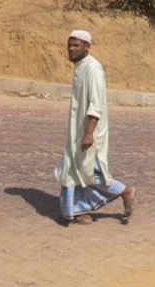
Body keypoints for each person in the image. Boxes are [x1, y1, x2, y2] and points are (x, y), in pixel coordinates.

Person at [56, 30, 136, 225]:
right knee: (74, 169)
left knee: (90, 171)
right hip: (78, 131)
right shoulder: (80, 67)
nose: (71, 49)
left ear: (87, 47)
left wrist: (89, 133)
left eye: (76, 45)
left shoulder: (93, 68)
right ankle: (78, 210)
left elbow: (96, 104)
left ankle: (123, 190)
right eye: (70, 45)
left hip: (89, 131)